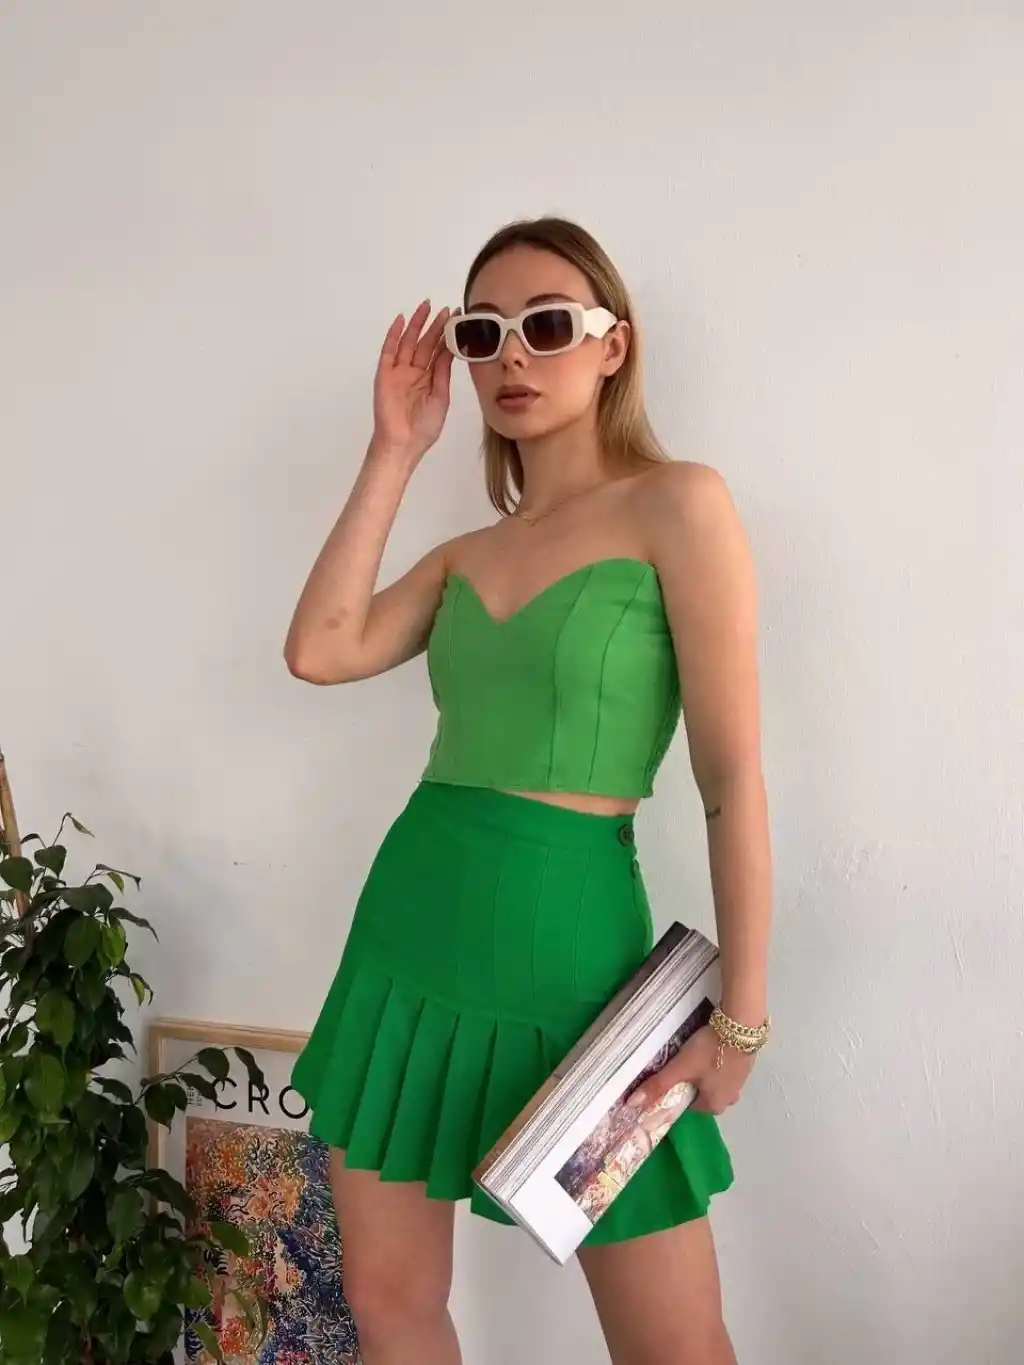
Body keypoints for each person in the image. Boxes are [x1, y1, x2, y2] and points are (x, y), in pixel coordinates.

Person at [284, 217, 772, 1365]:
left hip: (579, 968)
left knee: (673, 1343)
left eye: (547, 325)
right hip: (408, 943)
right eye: (482, 333)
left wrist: (741, 1020)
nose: (511, 354)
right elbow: (319, 647)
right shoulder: (466, 555)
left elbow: (729, 779)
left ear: (612, 346)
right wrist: (394, 450)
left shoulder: (678, 504)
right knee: (390, 1301)